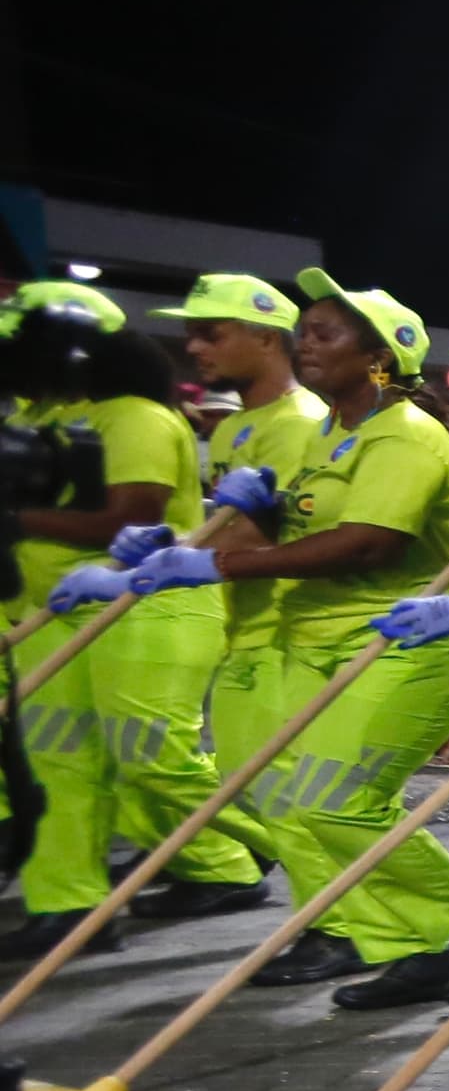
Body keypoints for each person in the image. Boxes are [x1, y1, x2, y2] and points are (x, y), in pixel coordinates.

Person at [196, 272, 449, 1005]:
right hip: (318, 641)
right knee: (292, 802)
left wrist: (220, 560)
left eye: (325, 334)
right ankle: (415, 944)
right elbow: (303, 525)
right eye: (306, 331)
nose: (305, 345)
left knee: (337, 800)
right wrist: (245, 516)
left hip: (407, 643)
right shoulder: (327, 432)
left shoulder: (406, 434)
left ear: (379, 358)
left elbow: (366, 545)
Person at [0, 285, 270, 953]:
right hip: (50, 609)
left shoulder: (135, 417)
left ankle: (276, 845)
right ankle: (68, 905)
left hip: (142, 603)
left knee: (153, 758)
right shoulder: (36, 417)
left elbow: (132, 515)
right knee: (56, 761)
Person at [179, 273, 327, 921]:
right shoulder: (236, 425)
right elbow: (227, 522)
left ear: (267, 337)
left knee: (288, 790)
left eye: (210, 333)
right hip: (245, 628)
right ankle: (336, 915)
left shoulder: (301, 423)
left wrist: (179, 555)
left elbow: (287, 531)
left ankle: (343, 922)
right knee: (252, 783)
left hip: (287, 631)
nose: (193, 348)